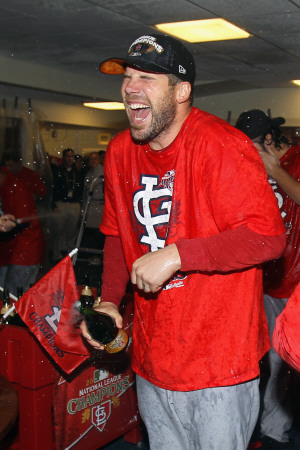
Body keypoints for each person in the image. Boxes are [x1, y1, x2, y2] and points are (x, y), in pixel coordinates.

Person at [80, 34, 286, 450]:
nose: (131, 87)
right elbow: (119, 235)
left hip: (218, 363)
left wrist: (177, 255)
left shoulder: (221, 145)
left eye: (148, 78)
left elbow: (268, 239)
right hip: (153, 358)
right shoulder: (120, 151)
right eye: (129, 76)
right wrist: (108, 299)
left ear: (182, 91)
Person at [236, 109, 300, 449]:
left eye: (255, 145)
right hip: (260, 277)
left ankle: (275, 432)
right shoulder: (244, 167)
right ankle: (262, 428)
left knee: (283, 358)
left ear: (272, 141)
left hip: (293, 280)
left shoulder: (294, 160)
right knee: (260, 357)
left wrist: (273, 167)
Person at [0, 171, 45, 295]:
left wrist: (7, 223)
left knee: (14, 296)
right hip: (10, 249)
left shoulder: (15, 186)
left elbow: (24, 219)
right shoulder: (10, 185)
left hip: (24, 249)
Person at [51, 148, 84, 263]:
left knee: (71, 231)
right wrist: (53, 204)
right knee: (58, 231)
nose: (70, 159)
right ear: (63, 157)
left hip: (74, 204)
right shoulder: (57, 171)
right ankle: (56, 254)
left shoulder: (78, 172)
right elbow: (53, 189)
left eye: (72, 157)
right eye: (68, 156)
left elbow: (81, 190)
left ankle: (70, 255)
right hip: (61, 204)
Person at [80, 151, 105, 250]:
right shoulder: (88, 173)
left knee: (98, 231)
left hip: (99, 204)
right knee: (90, 231)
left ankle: (96, 253)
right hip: (90, 204)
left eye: (95, 159)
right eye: (91, 159)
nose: (93, 161)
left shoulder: (103, 171)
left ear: (99, 160)